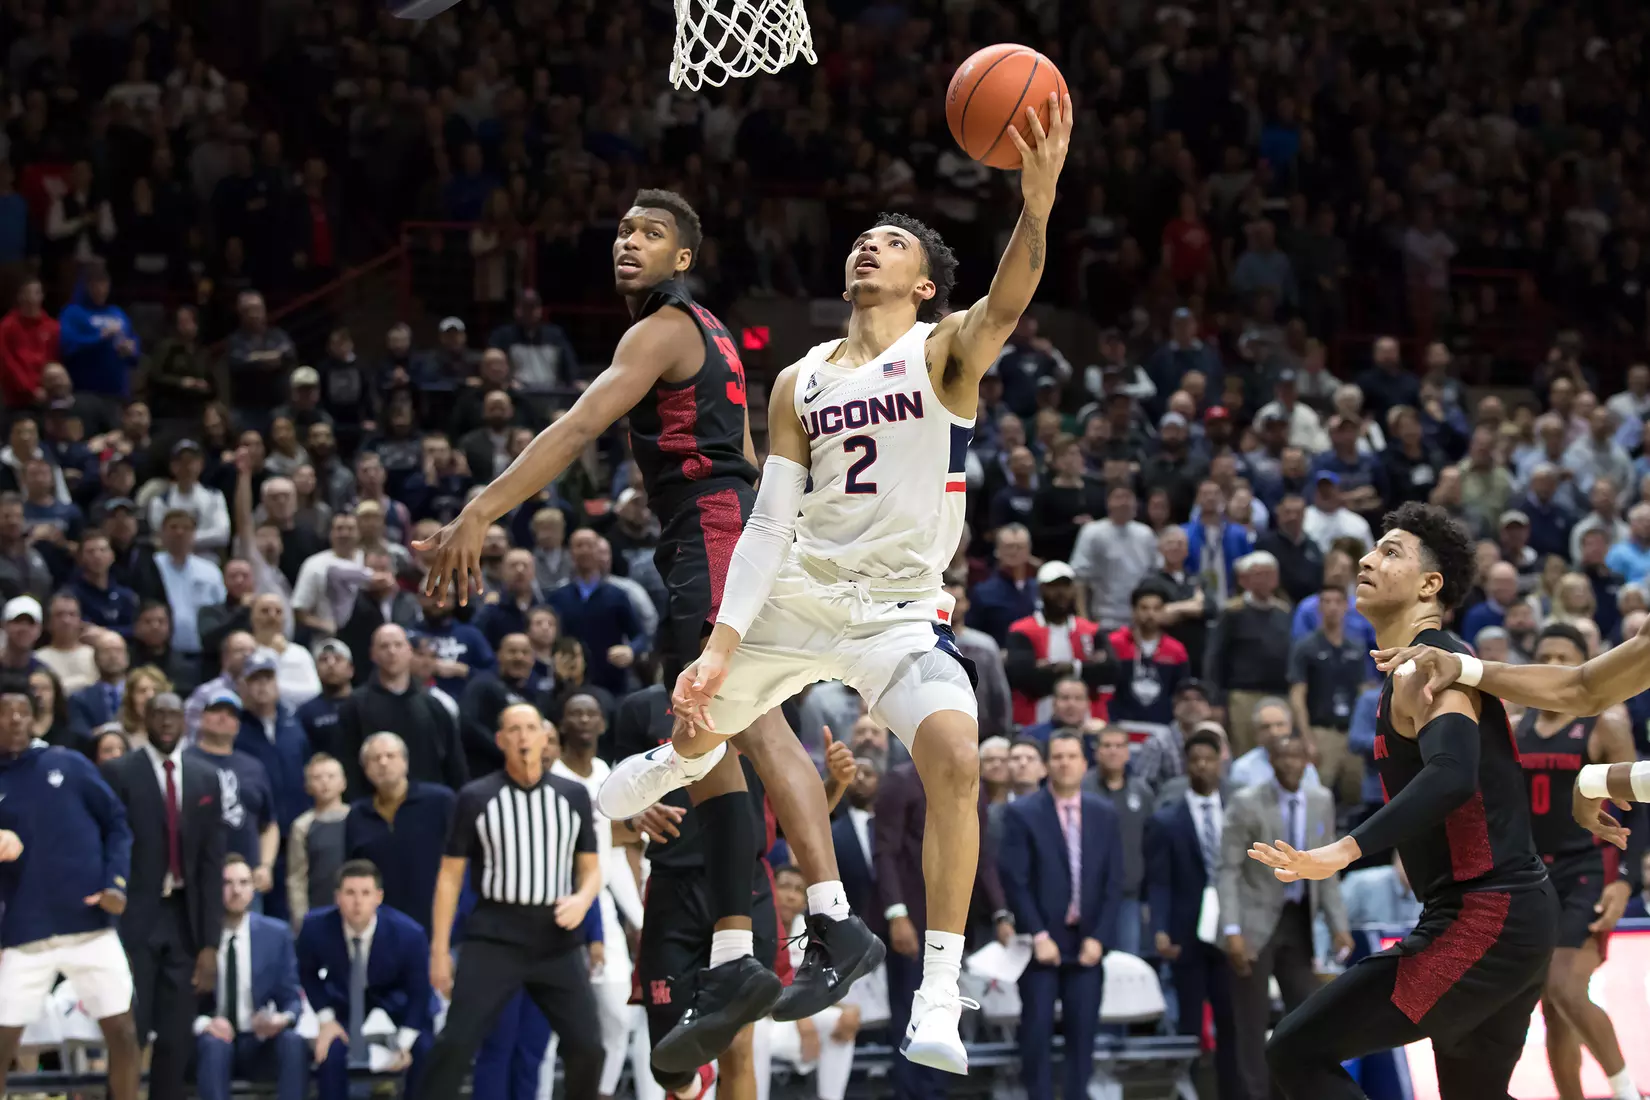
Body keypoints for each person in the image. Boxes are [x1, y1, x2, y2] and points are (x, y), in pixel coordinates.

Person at [615, 95, 1073, 1076]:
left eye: (892, 244)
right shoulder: (797, 378)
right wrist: (725, 640)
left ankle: (940, 992)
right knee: (704, 710)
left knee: (956, 751)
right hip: (805, 589)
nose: (870, 249)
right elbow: (771, 518)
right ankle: (669, 759)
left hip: (898, 611)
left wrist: (1034, 209)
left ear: (922, 284)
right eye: (864, 239)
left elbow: (1007, 302)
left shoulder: (943, 351)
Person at [414, 187, 879, 1072]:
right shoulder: (703, 332)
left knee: (738, 724)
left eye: (651, 233)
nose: (630, 242)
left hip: (711, 530)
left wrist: (482, 509)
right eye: (624, 230)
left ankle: (832, 918)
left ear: (681, 259)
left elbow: (582, 422)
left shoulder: (661, 328)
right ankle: (742, 955)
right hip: (716, 528)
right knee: (723, 736)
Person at [1253, 502, 1558, 1100]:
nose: (1366, 559)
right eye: (1371, 549)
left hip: (1485, 915)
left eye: (1390, 551)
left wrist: (1342, 850)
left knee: (1294, 1049)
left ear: (1429, 584)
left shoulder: (1428, 664)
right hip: (1509, 912)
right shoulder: (1418, 665)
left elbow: (1452, 776)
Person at [419, 703, 604, 1100]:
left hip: (556, 938)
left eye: (530, 728)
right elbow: (450, 878)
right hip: (495, 936)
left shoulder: (573, 796)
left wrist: (583, 898)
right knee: (455, 1043)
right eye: (513, 729)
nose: (523, 737)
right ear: (501, 740)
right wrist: (438, 949)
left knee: (589, 1046)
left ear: (545, 736)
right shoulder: (475, 796)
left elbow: (591, 868)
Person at [1503, 625, 1639, 1100]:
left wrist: (1626, 881)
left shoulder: (1606, 724)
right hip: (1533, 872)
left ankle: (1626, 1091)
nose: (1554, 661)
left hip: (1590, 867)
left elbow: (1639, 809)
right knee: (1553, 1006)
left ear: (1587, 663)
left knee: (1563, 985)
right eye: (1545, 654)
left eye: (1566, 655)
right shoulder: (1515, 725)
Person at [0, 676, 141, 1100]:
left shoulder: (69, 764)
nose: (15, 719)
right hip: (24, 933)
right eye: (5, 712)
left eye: (23, 711)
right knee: (3, 1041)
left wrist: (114, 882)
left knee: (123, 1030)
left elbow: (117, 824)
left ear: (36, 717)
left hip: (87, 924)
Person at [100, 691, 226, 1100]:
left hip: (185, 919)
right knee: (129, 1032)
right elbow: (107, 846)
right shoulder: (118, 772)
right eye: (159, 713)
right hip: (136, 916)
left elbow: (211, 865)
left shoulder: (206, 777)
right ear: (145, 718)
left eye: (174, 713)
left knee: (175, 1037)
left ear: (185, 720)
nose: (167, 721)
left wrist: (209, 944)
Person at [1218, 734, 1351, 1100]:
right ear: (1272, 761)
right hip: (1253, 921)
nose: (1291, 763)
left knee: (1305, 1016)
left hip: (1297, 920)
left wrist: (1339, 925)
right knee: (1251, 1022)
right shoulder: (1246, 803)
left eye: (1297, 756)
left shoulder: (1321, 800)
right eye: (1283, 757)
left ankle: (1292, 1093)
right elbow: (1227, 869)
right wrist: (1231, 929)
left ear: (1308, 760)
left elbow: (1328, 868)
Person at [1000, 730, 1122, 1100]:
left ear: (1085, 764)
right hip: (1041, 943)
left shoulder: (1104, 813)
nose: (1064, 763)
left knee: (1083, 1034)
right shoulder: (1022, 813)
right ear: (1046, 765)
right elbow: (1015, 880)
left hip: (1086, 942)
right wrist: (1038, 935)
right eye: (1057, 756)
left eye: (1072, 756)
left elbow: (1114, 881)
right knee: (1035, 1032)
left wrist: (1099, 937)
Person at [1142, 728, 1239, 1100]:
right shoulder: (1167, 820)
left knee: (1233, 1021)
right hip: (1186, 930)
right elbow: (1160, 882)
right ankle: (1192, 1091)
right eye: (1195, 760)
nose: (1202, 766)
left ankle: (1235, 1092)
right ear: (1185, 766)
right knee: (1190, 1023)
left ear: (1220, 762)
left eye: (1208, 759)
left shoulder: (1235, 811)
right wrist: (1161, 929)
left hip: (1230, 927)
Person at [295, 860, 433, 1100]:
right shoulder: (315, 928)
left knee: (425, 1048)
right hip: (344, 998)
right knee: (329, 1050)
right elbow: (307, 973)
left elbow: (419, 993)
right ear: (338, 897)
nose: (358, 902)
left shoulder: (409, 934)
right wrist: (326, 1019)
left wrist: (404, 1043)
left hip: (396, 998)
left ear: (378, 897)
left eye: (366, 893)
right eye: (350, 893)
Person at [192, 855, 306, 1100]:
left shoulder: (275, 934)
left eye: (244, 882)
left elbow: (292, 998)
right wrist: (205, 1024)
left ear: (253, 888)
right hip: (213, 1043)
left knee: (293, 1042)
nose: (236, 891)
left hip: (258, 1041)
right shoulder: (194, 935)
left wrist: (280, 1019)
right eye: (227, 883)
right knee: (214, 1046)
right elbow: (179, 1003)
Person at [343, 732, 454, 937]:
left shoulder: (440, 801)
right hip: (384, 929)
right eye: (375, 758)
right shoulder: (358, 814)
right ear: (365, 769)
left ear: (405, 762)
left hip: (439, 924)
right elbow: (354, 870)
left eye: (390, 756)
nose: (383, 763)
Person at [286, 753, 349, 929]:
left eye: (331, 776)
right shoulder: (302, 826)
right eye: (317, 777)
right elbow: (297, 878)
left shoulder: (357, 818)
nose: (325, 782)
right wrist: (301, 919)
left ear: (343, 782)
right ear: (308, 786)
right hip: (320, 910)